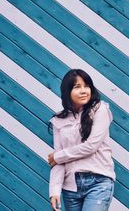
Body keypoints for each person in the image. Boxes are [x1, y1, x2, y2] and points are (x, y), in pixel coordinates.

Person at [48, 69, 115, 211]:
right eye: (77, 87)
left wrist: (58, 156)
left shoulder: (99, 109)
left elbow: (91, 146)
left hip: (98, 181)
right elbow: (58, 162)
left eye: (86, 86)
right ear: (67, 92)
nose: (84, 91)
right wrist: (54, 190)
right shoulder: (58, 120)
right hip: (71, 187)